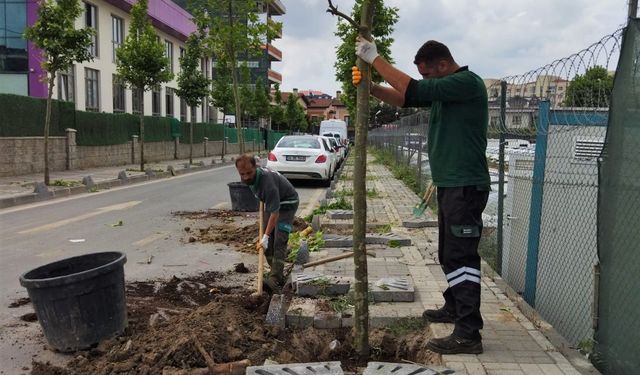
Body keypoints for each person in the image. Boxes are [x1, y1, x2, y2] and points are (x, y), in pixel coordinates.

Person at [354, 37, 490, 354]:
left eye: (428, 74)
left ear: (443, 65)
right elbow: (405, 99)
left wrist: (376, 58)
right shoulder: (447, 90)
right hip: (452, 185)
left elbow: (413, 89)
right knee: (449, 253)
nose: (426, 81)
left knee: (461, 257)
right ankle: (455, 306)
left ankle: (469, 333)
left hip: (465, 186)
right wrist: (372, 88)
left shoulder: (465, 83)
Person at [235, 154, 299, 292]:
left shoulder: (267, 183)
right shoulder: (252, 180)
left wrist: (266, 236)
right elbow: (266, 201)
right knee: (267, 243)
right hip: (273, 203)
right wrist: (265, 236)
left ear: (255, 167)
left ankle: (275, 279)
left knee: (279, 240)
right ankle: (276, 271)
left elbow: (275, 213)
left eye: (249, 173)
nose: (246, 177)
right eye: (242, 174)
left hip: (287, 204)